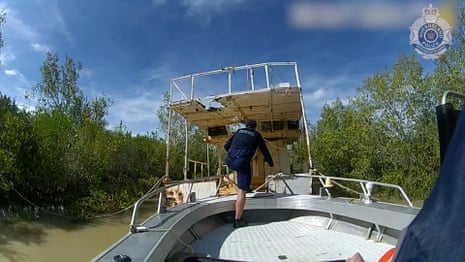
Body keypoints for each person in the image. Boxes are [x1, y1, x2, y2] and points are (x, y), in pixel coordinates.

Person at [224, 119, 275, 228]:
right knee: (242, 189)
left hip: (229, 160)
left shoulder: (238, 131)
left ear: (246, 126)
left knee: (243, 172)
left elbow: (226, 146)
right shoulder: (256, 135)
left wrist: (233, 155)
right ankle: (238, 220)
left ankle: (245, 187)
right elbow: (264, 151)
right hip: (241, 161)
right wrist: (271, 164)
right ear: (255, 127)